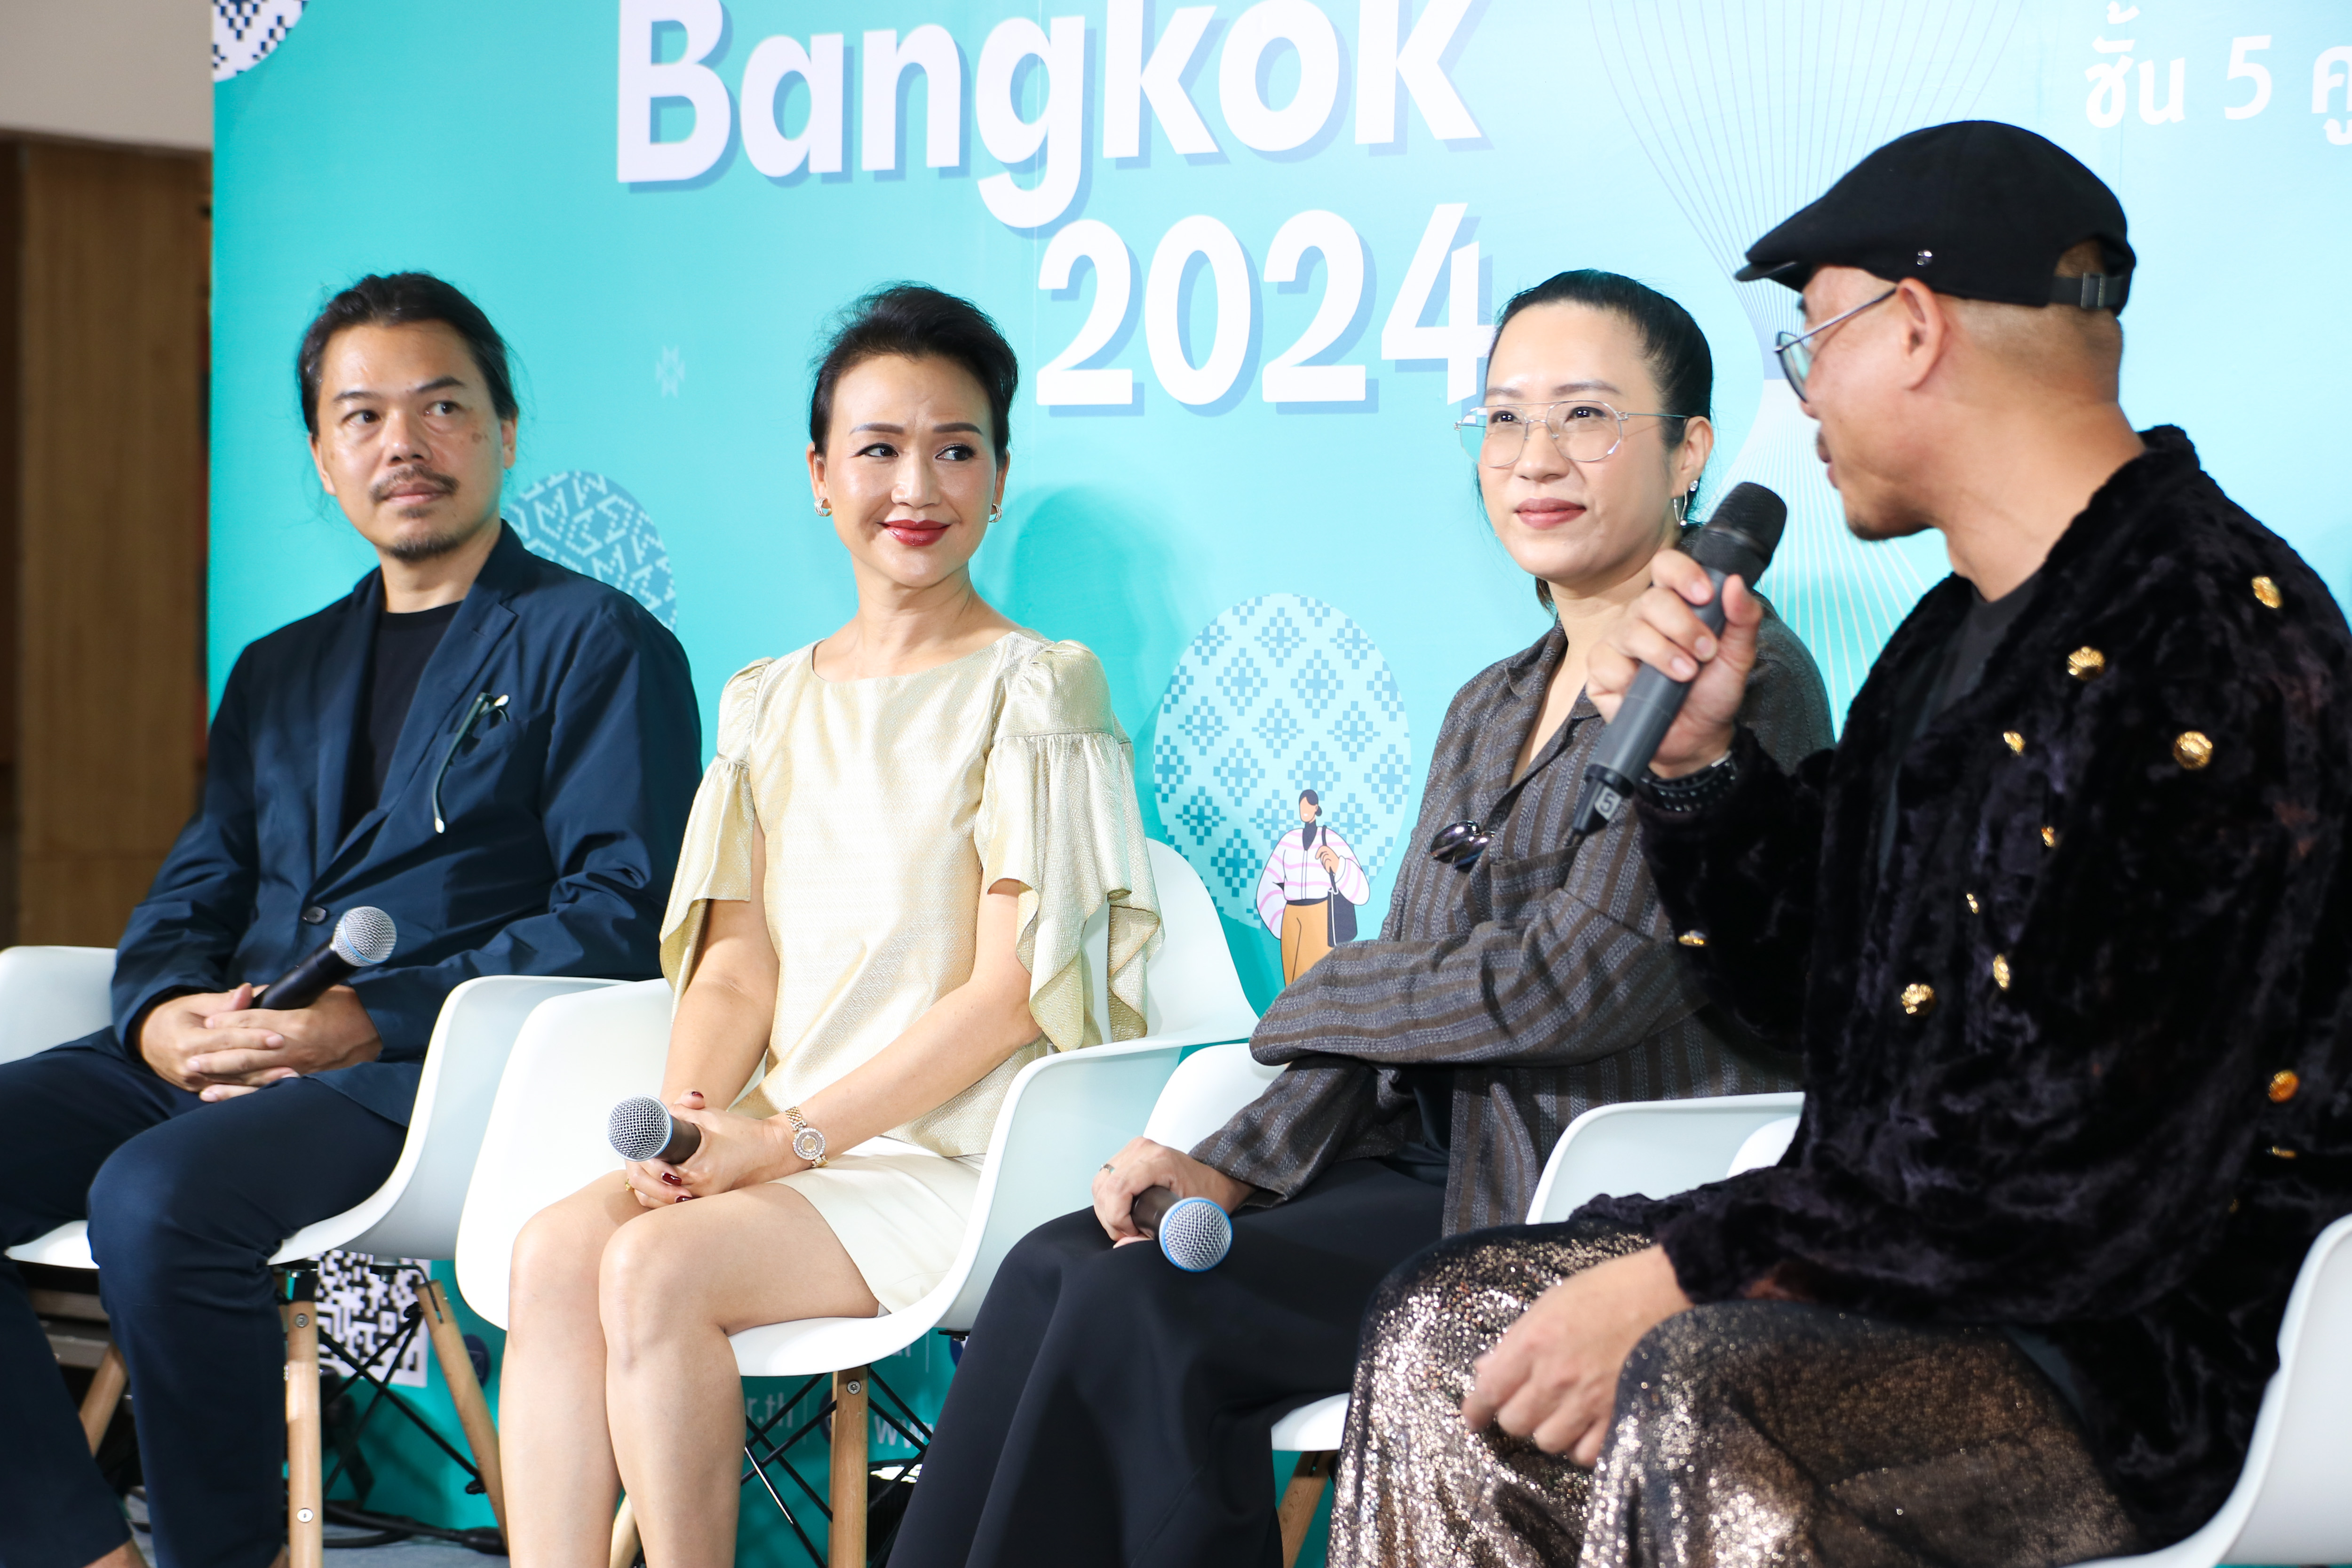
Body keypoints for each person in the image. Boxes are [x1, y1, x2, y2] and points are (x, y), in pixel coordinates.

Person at [1331, 120, 2352, 1568]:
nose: (1801, 398)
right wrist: (1697, 775)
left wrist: (1695, 1270)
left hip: (2129, 1352)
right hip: (1909, 1272)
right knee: (1451, 1321)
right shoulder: (1948, 637)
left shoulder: (2209, 644)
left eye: (1812, 340)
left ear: (1915, 327)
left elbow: (2089, 1169)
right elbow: (1800, 1000)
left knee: (1705, 1383)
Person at [892, 271, 1835, 1568]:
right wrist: (1235, 1159)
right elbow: (1404, 1000)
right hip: (1417, 1159)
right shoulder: (1490, 701)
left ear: (1689, 454)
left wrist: (1313, 990)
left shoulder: (1738, 677)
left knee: (1149, 1309)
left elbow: (1572, 981)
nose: (1534, 458)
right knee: (1056, 1265)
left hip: (1574, 1194)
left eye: (1585, 416)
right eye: (1504, 419)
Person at [0, 271, 699, 1568]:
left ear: (504, 430)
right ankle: (85, 1551)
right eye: (362, 416)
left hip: (423, 1076)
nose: (403, 444)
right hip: (237, 1041)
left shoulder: (595, 640)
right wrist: (160, 1019)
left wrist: (363, 1020)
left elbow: (620, 915)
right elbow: (198, 885)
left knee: (154, 1197)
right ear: (324, 458)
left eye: (442, 407)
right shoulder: (278, 667)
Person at [496, 284, 1160, 1568]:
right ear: (818, 473)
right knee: (555, 1252)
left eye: (955, 449)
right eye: (878, 448)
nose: (916, 486)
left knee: (653, 1270)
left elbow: (1011, 996)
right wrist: (691, 1124)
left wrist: (783, 1139)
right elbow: (733, 967)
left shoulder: (1040, 683)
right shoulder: (764, 699)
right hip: (781, 1155)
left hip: (956, 1163)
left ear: (998, 475)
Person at [1255, 789, 1371, 982]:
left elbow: (1363, 893)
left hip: (1321, 916)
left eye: (1308, 807)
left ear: (1316, 808)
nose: (1304, 812)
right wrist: (1281, 923)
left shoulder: (1331, 839)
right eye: (1301, 807)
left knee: (1317, 984)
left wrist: (1340, 866)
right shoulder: (1288, 841)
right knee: (1291, 985)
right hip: (1292, 916)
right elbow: (1268, 884)